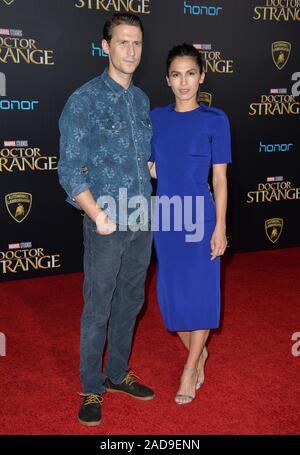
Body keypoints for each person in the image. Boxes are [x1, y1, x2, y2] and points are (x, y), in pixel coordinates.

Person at [58, 13, 154, 426]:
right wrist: (96, 214)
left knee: (131, 302)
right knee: (98, 307)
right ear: (105, 46)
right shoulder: (84, 100)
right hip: (106, 225)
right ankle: (91, 388)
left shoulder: (142, 100)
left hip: (142, 219)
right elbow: (68, 168)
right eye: (122, 43)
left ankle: (116, 373)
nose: (130, 51)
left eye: (136, 43)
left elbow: (141, 155)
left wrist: (148, 168)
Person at [148, 43, 231, 405]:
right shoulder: (156, 117)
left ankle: (191, 366)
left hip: (201, 215)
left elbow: (221, 180)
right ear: (168, 80)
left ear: (202, 76)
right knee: (170, 302)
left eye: (191, 74)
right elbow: (150, 164)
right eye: (177, 75)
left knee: (201, 295)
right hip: (166, 216)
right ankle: (201, 353)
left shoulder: (216, 120)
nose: (184, 82)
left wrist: (220, 227)